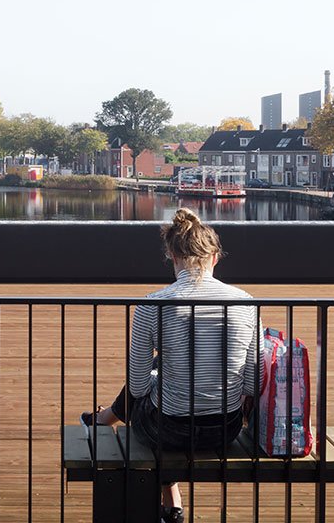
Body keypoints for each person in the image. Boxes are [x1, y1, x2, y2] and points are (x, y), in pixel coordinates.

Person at [79, 208, 259, 523]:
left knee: (154, 390)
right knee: (169, 372)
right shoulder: (245, 302)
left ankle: (169, 500)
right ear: (215, 257)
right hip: (225, 428)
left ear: (172, 256)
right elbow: (252, 383)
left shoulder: (153, 304)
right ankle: (170, 503)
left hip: (170, 429)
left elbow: (136, 387)